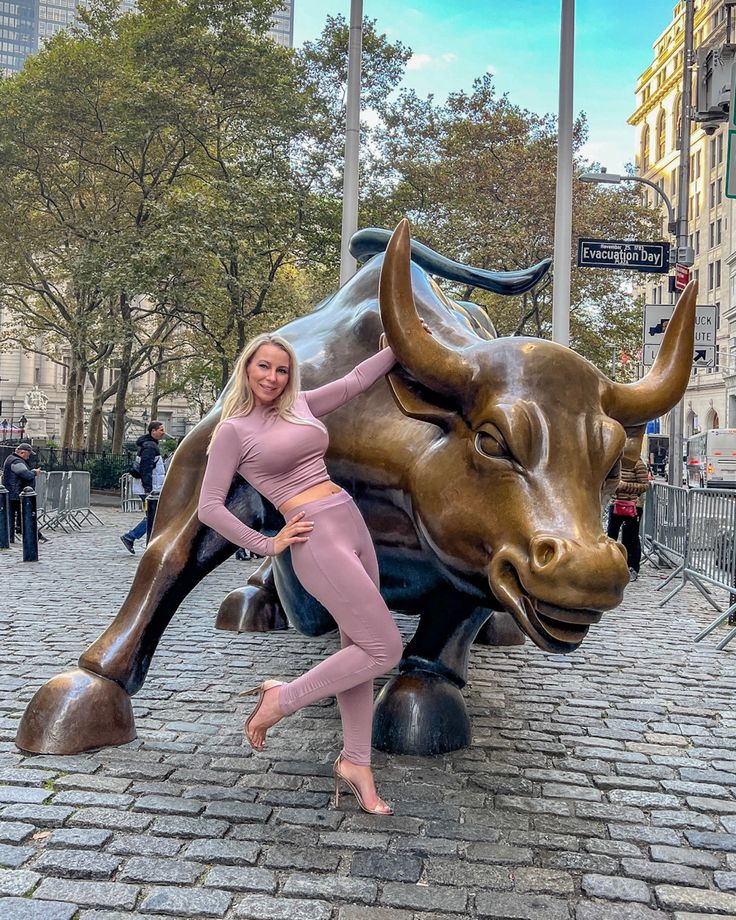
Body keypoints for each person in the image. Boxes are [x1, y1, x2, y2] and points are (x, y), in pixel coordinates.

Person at [197, 330, 429, 816]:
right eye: (264, 367)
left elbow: (354, 382)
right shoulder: (232, 430)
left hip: (350, 522)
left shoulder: (299, 404)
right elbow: (209, 508)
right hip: (314, 537)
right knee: (385, 648)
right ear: (246, 367)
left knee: (358, 649)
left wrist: (400, 345)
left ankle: (357, 762)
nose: (273, 377)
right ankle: (283, 698)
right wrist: (267, 544)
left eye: (281, 369)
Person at [120, 420, 167, 554]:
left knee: (153, 516)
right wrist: (148, 489)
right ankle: (132, 537)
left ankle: (133, 538)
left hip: (149, 487)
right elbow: (146, 469)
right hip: (149, 488)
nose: (163, 433)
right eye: (161, 430)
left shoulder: (149, 445)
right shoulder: (150, 447)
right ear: (153, 431)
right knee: (153, 517)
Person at [607, 442, 650, 582]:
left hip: (632, 506)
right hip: (616, 504)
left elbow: (644, 485)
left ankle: (632, 567)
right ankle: (612, 565)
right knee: (611, 536)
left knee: (631, 538)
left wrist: (626, 486)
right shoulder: (616, 463)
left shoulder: (637, 464)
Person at [2, 443, 48, 543]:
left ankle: (10, 539)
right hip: (16, 494)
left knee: (15, 518)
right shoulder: (16, 461)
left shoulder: (12, 459)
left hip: (13, 494)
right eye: (28, 454)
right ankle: (35, 536)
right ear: (22, 452)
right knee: (26, 516)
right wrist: (34, 472)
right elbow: (25, 474)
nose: (29, 456)